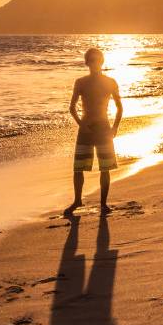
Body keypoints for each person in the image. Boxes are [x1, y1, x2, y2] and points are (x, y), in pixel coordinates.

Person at [64, 48, 123, 217]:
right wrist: (81, 125)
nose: (94, 63)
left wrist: (115, 127)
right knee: (78, 168)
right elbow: (72, 107)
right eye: (91, 60)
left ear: (102, 61)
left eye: (97, 60)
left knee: (105, 168)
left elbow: (119, 107)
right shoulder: (80, 82)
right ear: (87, 62)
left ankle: (103, 203)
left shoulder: (110, 82)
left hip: (104, 128)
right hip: (86, 130)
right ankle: (77, 200)